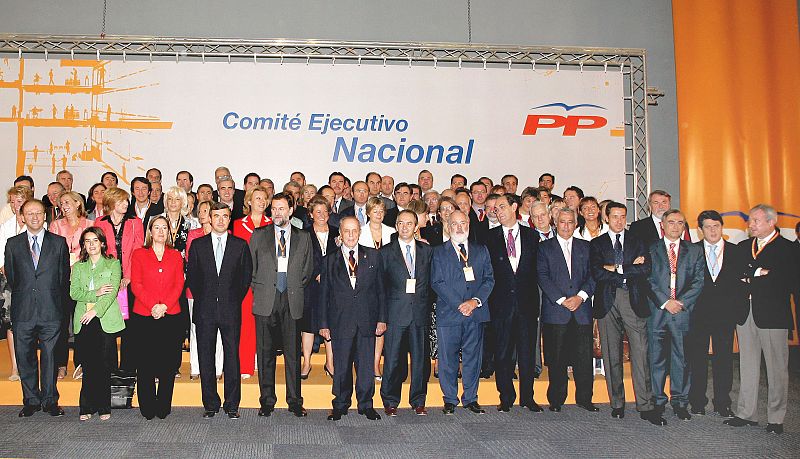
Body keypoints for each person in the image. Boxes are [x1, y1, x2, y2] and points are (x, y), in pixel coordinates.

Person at [725, 204, 799, 435]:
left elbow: (785, 281)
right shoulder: (743, 246)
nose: (751, 225)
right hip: (745, 313)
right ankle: (746, 414)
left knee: (777, 369)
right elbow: (734, 275)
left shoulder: (788, 249)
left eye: (756, 221)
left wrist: (751, 276)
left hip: (773, 316)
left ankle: (776, 419)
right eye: (750, 220)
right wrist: (761, 273)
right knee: (747, 365)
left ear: (771, 222)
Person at [590, 202, 665, 425]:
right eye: (615, 216)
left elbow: (646, 269)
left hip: (633, 300)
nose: (619, 221)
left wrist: (615, 268)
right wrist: (628, 267)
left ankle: (646, 405)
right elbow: (596, 273)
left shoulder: (638, 241)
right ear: (606, 218)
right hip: (607, 302)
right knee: (611, 354)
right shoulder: (597, 243)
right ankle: (617, 403)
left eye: (623, 216)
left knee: (640, 354)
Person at [186, 201, 252, 419]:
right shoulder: (198, 245)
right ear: (210, 218)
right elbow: (193, 278)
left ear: (229, 218)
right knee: (206, 357)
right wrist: (206, 298)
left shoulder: (240, 245)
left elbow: (245, 278)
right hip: (204, 310)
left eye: (225, 216)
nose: (221, 220)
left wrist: (230, 299)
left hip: (230, 310)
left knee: (232, 357)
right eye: (216, 216)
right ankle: (210, 404)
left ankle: (232, 404)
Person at [250, 193, 314, 418]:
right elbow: (251, 268)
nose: (277, 213)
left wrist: (292, 287)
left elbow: (307, 270)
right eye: (274, 208)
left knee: (293, 354)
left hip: (291, 299)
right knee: (265, 353)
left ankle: (295, 401)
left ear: (291, 210)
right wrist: (263, 288)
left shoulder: (303, 236)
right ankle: (267, 401)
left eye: (282, 208)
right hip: (266, 299)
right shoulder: (259, 235)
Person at [5, 199, 70, 417]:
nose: (34, 217)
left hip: (51, 310)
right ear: (23, 217)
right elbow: (12, 278)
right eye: (30, 213)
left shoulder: (58, 243)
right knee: (25, 357)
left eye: (39, 213)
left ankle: (50, 401)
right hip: (23, 310)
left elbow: (63, 278)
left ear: (45, 216)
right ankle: (31, 401)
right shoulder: (13, 244)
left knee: (50, 357)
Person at [318, 216, 386, 421]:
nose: (350, 235)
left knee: (365, 366)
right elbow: (323, 294)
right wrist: (323, 324)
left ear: (359, 232)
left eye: (354, 230)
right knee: (342, 366)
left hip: (367, 320)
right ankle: (340, 404)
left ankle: (366, 404)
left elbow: (381, 291)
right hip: (340, 321)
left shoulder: (373, 256)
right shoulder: (329, 260)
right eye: (346, 231)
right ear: (340, 233)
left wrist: (382, 319)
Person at [431, 210, 494, 415]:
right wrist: (460, 304)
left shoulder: (481, 250)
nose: (459, 228)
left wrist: (474, 302)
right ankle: (450, 399)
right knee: (447, 359)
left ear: (468, 224)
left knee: (472, 358)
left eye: (463, 223)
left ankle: (471, 398)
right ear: (448, 226)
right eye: (455, 224)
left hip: (475, 313)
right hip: (450, 313)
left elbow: (489, 279)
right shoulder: (438, 252)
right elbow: (437, 282)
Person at [646, 209, 704, 421]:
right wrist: (665, 302)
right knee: (656, 359)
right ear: (662, 225)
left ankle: (680, 402)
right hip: (658, 312)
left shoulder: (695, 250)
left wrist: (681, 303)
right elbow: (647, 279)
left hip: (682, 313)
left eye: (680, 223)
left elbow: (699, 281)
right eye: (671, 222)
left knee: (682, 359)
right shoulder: (651, 249)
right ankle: (658, 402)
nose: (676, 226)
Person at [688, 210, 747, 418]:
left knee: (724, 359)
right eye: (708, 227)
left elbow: (741, 283)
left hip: (725, 314)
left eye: (716, 226)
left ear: (722, 227)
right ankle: (697, 401)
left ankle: (723, 402)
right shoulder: (692, 251)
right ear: (700, 230)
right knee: (697, 358)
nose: (712, 231)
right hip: (698, 314)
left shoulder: (736, 251)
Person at [537, 207, 597, 413]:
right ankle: (556, 399)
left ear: (576, 224)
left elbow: (593, 275)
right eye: (562, 222)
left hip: (581, 310)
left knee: (584, 358)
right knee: (556, 359)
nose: (566, 226)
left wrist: (580, 297)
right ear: (555, 223)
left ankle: (585, 399)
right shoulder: (544, 248)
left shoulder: (586, 247)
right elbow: (543, 276)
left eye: (570, 222)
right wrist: (563, 300)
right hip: (556, 311)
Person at [485, 194, 542, 412]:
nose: (498, 211)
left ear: (514, 207)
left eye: (502, 207)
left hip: (527, 304)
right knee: (502, 353)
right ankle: (506, 397)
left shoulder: (532, 236)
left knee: (527, 354)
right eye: (496, 209)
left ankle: (528, 397)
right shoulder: (489, 238)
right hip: (500, 305)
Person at [130, 216, 185, 420]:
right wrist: (153, 305)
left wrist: (164, 306)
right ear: (150, 232)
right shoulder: (139, 254)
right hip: (145, 315)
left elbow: (179, 284)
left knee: (168, 364)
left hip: (170, 315)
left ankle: (163, 405)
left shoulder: (175, 255)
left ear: (169, 232)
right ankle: (147, 406)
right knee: (145, 363)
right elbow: (136, 284)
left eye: (164, 228)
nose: (161, 231)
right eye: (157, 227)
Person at [379, 210, 433, 416]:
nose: (404, 227)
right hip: (395, 313)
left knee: (420, 361)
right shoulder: (385, 252)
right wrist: (382, 317)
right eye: (401, 223)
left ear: (416, 227)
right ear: (396, 226)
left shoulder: (427, 250)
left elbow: (431, 282)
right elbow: (380, 288)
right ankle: (390, 400)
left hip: (419, 313)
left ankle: (418, 401)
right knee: (392, 359)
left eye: (409, 223)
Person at [70, 227, 123, 421]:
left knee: (104, 365)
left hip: (104, 318)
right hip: (83, 320)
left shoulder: (113, 264)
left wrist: (95, 310)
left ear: (102, 243)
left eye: (95, 240)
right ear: (83, 245)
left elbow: (112, 293)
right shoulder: (78, 267)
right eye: (87, 241)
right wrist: (95, 293)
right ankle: (86, 407)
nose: (91, 244)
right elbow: (74, 293)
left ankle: (103, 406)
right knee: (88, 364)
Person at [94, 187, 144, 371]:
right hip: (107, 279)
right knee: (108, 321)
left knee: (130, 324)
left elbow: (138, 251)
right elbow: (98, 252)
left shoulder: (135, 222)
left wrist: (128, 276)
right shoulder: (100, 222)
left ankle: (128, 366)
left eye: (126, 200)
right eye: (121, 200)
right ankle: (109, 366)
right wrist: (114, 277)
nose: (125, 203)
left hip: (130, 279)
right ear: (111, 202)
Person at [50, 191, 94, 379]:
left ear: (78, 203)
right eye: (61, 203)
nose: (64, 205)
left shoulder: (90, 225)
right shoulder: (55, 225)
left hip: (83, 280)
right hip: (60, 280)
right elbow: (50, 252)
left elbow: (95, 250)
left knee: (82, 323)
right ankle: (61, 364)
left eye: (67, 202)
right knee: (60, 324)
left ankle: (81, 363)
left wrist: (80, 264)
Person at [232, 185, 273, 379]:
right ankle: (246, 365)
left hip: (267, 280)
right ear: (249, 201)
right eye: (257, 198)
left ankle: (262, 364)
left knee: (265, 324)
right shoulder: (238, 224)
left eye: (264, 198)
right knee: (246, 323)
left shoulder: (272, 223)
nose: (261, 202)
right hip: (244, 280)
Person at [357, 196, 396, 379]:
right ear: (368, 213)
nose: (378, 214)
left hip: (388, 284)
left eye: (381, 211)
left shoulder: (392, 232)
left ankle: (375, 364)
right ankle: (363, 364)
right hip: (366, 284)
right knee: (367, 325)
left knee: (381, 324)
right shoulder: (359, 231)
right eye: (375, 211)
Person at [185, 200, 224, 381]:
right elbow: (191, 263)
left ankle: (217, 368)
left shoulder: (226, 235)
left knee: (220, 331)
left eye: (206, 211)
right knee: (196, 329)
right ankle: (196, 366)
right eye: (200, 211)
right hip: (196, 293)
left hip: (220, 295)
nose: (202, 214)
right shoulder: (194, 235)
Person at [0, 186, 35, 383]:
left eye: (19, 201)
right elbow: (1, 259)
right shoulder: (6, 226)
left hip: (34, 282)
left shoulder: (39, 222)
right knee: (12, 322)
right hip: (11, 282)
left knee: (32, 323)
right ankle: (15, 365)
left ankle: (29, 363)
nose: (15, 205)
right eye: (12, 202)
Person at [305, 196, 339, 378]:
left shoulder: (337, 232)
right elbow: (301, 260)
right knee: (309, 325)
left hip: (333, 286)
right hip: (311, 286)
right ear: (311, 214)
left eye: (325, 211)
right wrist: (315, 274)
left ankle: (330, 362)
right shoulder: (303, 234)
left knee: (331, 324)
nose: (322, 215)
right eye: (317, 211)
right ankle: (306, 363)